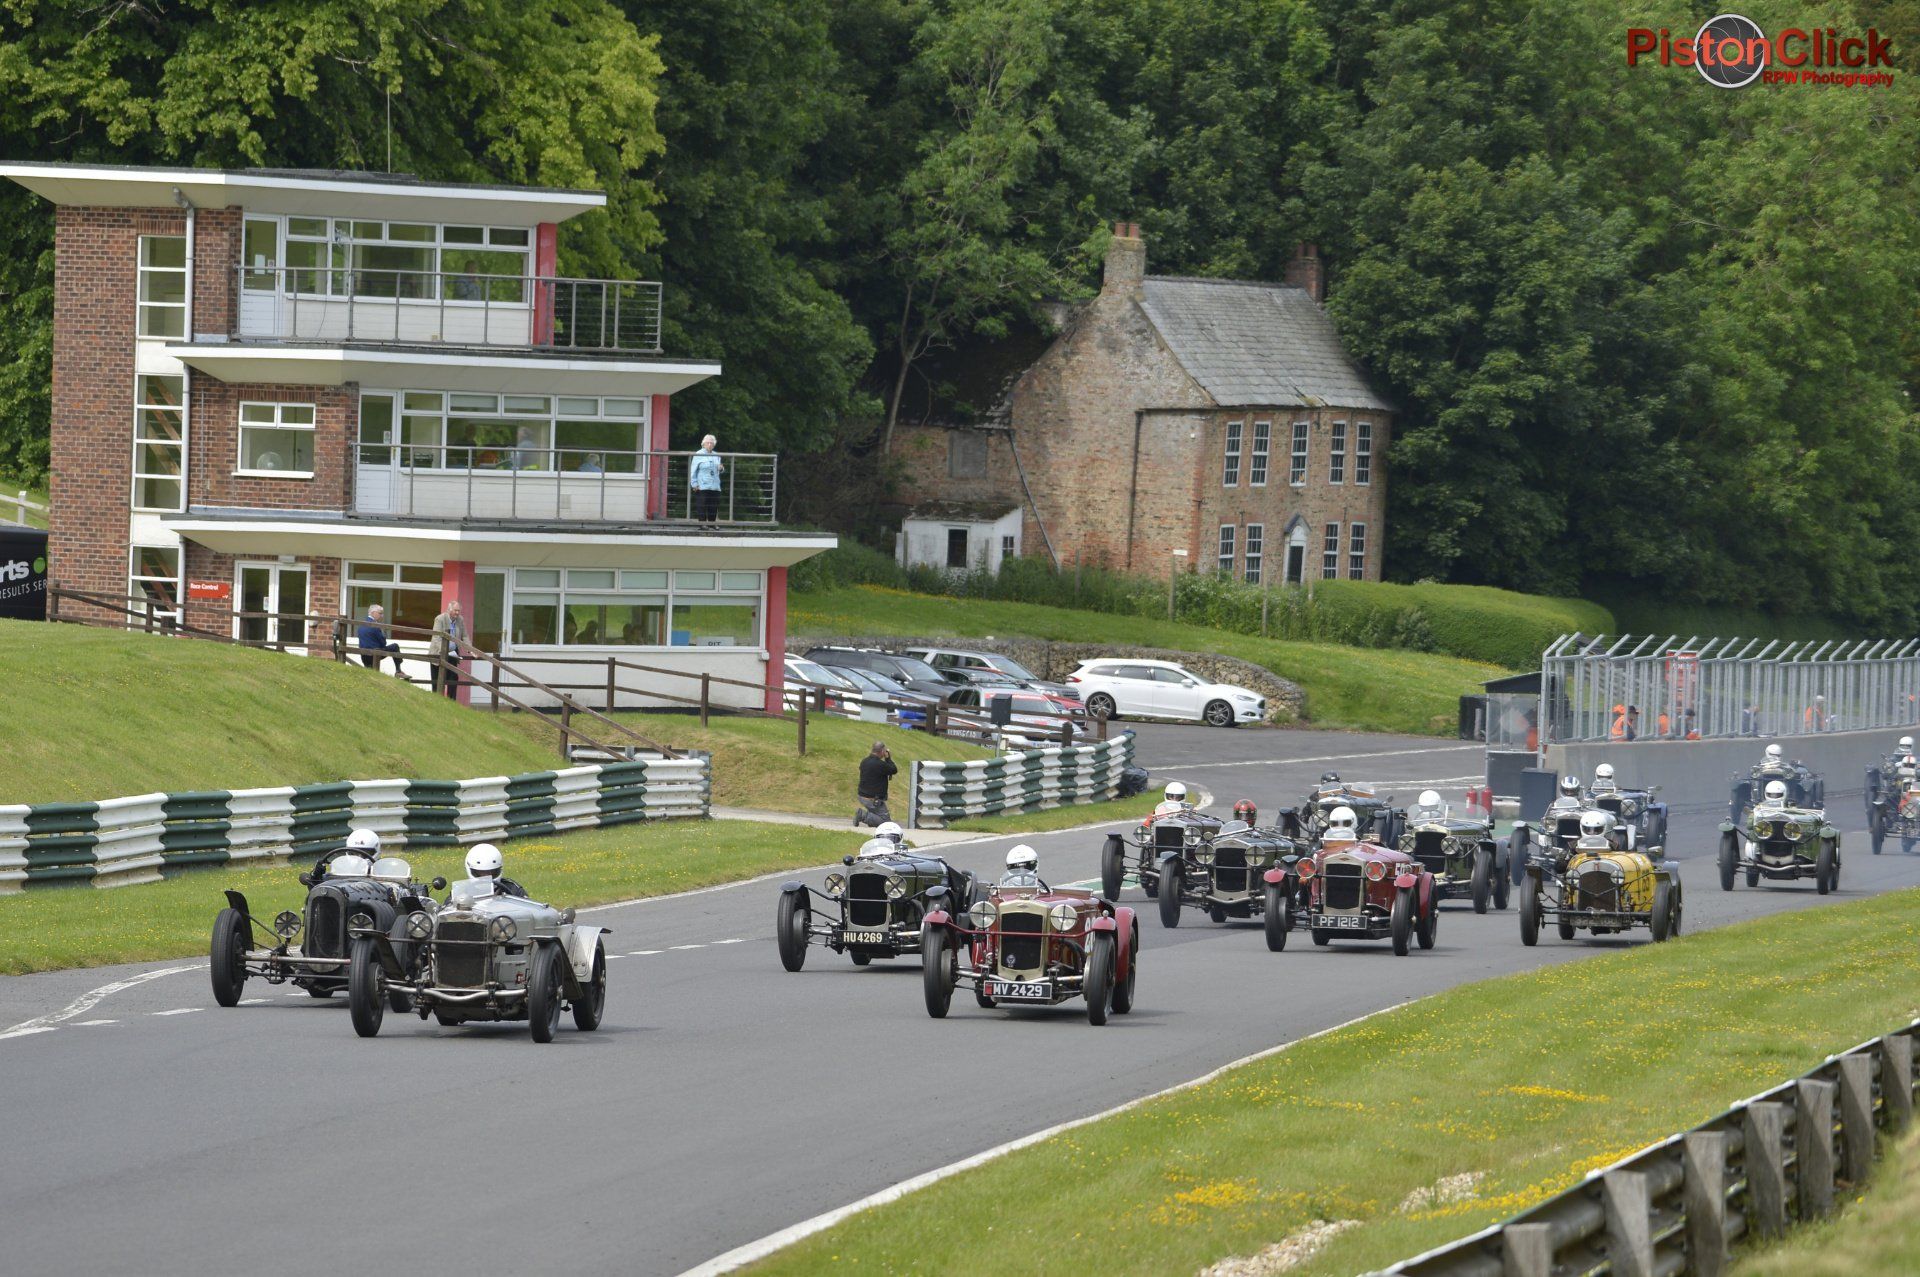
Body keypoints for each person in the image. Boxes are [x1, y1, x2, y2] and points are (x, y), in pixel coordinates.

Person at [429, 599, 467, 699]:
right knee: (437, 682)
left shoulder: (460, 620)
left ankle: (451, 702)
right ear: (449, 610)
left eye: (459, 611)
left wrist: (471, 650)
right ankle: (436, 703)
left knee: (453, 679)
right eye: (455, 610)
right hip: (439, 653)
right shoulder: (440, 619)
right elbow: (436, 638)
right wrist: (444, 651)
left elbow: (465, 636)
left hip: (453, 654)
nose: (457, 613)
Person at [855, 739, 896, 827]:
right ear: (882, 751)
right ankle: (862, 815)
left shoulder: (864, 761)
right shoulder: (880, 764)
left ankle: (871, 819)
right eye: (884, 751)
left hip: (862, 795)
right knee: (886, 823)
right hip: (873, 799)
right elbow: (893, 769)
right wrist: (888, 758)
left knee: (877, 816)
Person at [356, 603, 404, 676]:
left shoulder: (361, 624)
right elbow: (383, 643)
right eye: (380, 613)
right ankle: (398, 670)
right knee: (395, 646)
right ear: (373, 613)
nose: (382, 616)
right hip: (374, 655)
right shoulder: (375, 625)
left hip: (364, 656)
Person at [689, 434, 724, 525]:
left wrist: (721, 468)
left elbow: (719, 469)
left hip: (715, 485)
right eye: (707, 443)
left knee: (713, 506)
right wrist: (694, 484)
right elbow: (693, 470)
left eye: (711, 443)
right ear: (703, 444)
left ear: (714, 445)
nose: (709, 444)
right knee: (702, 505)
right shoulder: (698, 454)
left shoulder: (717, 455)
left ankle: (712, 524)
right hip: (702, 485)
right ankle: (702, 524)